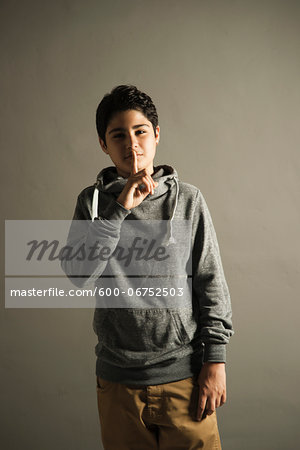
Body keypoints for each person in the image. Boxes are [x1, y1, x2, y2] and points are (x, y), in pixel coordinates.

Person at [61, 85, 234, 449]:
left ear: (156, 135)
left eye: (140, 131)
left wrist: (214, 361)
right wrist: (121, 206)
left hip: (184, 377)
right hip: (118, 381)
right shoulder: (92, 204)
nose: (132, 144)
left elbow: (210, 281)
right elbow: (78, 275)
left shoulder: (188, 200)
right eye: (118, 135)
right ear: (103, 144)